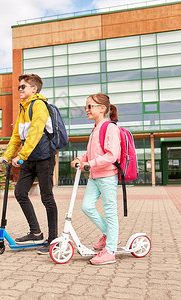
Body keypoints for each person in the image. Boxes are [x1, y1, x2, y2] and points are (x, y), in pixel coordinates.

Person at [0, 73, 58, 255]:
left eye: (23, 86)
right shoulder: (23, 109)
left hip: (44, 157)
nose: (20, 90)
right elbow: (17, 136)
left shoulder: (39, 105)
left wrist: (21, 155)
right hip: (29, 159)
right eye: (19, 87)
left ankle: (53, 239)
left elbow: (36, 133)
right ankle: (36, 232)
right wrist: (7, 156)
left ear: (34, 89)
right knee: (20, 193)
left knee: (47, 197)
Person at [71, 93, 121, 265]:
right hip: (94, 176)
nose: (86, 109)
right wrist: (80, 159)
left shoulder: (110, 128)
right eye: (86, 106)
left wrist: (89, 164)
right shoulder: (95, 129)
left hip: (107, 176)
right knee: (86, 206)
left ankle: (111, 250)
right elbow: (91, 152)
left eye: (90, 106)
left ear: (102, 108)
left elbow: (112, 155)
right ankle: (109, 234)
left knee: (110, 212)